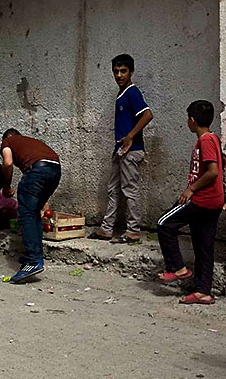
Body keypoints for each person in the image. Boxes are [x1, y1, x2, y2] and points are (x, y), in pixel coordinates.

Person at [157, 101, 223, 305]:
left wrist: (191, 189)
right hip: (214, 201)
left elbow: (212, 171)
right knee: (203, 246)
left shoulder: (205, 141)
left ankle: (177, 268)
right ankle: (203, 291)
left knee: (164, 224)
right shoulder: (212, 139)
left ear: (192, 121)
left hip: (203, 199)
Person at [89, 54, 153, 244]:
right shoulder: (121, 93)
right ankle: (107, 229)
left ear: (131, 72)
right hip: (120, 149)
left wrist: (130, 136)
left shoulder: (132, 92)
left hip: (131, 151)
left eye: (123, 71)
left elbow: (147, 115)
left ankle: (133, 230)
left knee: (129, 189)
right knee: (113, 189)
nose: (119, 75)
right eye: (116, 71)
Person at [0, 128, 61, 283]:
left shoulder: (8, 141)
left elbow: (7, 163)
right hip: (55, 170)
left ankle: (34, 261)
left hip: (37, 170)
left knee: (26, 214)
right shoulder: (32, 142)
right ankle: (34, 255)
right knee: (34, 213)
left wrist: (6, 186)